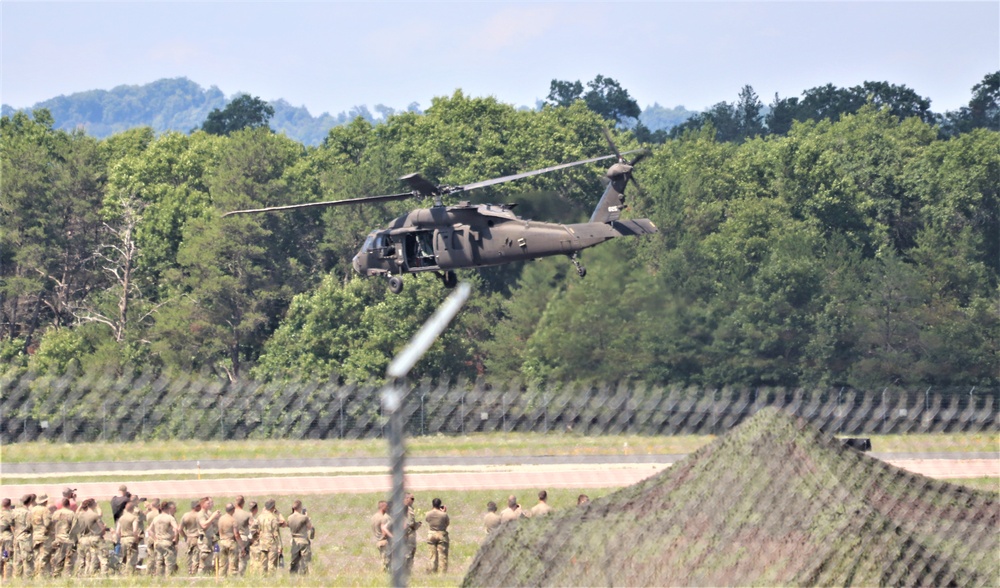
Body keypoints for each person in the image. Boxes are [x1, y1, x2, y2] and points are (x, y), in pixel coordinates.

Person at [75, 498, 105, 576]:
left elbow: (76, 513)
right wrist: (97, 506)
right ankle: (89, 574)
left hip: (82, 538)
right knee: (91, 558)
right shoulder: (93, 515)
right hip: (91, 537)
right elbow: (100, 515)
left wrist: (81, 505)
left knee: (82, 558)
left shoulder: (80, 514)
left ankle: (80, 574)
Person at [150, 501, 179, 576]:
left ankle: (159, 578)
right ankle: (169, 579)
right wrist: (175, 537)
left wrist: (155, 538)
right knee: (169, 563)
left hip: (158, 542)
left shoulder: (156, 518)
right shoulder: (170, 518)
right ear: (168, 508)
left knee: (159, 562)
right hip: (167, 542)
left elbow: (149, 530)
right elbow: (176, 528)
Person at [50, 498, 77, 577]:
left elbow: (52, 526)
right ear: (69, 504)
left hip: (57, 539)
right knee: (68, 561)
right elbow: (75, 528)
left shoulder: (55, 513)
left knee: (58, 559)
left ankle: (56, 575)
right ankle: (67, 576)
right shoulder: (72, 514)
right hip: (68, 539)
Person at [30, 493, 54, 577]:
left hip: (35, 536)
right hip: (44, 537)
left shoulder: (33, 510)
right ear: (45, 501)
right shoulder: (45, 510)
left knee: (36, 557)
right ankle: (42, 575)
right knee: (44, 557)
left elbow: (29, 524)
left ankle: (36, 573)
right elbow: (47, 523)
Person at [256, 499, 283, 574]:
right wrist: (280, 546)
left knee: (263, 563)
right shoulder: (273, 518)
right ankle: (271, 579)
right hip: (271, 543)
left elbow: (256, 529)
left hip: (262, 542)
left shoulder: (259, 517)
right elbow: (276, 533)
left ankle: (262, 578)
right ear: (273, 507)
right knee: (272, 563)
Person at [196, 496, 221, 575]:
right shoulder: (201, 514)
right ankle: (200, 576)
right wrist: (213, 517)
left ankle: (210, 574)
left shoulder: (209, 513)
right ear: (202, 504)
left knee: (213, 559)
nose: (210, 504)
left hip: (211, 539)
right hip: (204, 540)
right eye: (208, 503)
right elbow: (204, 525)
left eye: (211, 502)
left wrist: (217, 517)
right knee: (204, 558)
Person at [286, 500, 313, 575]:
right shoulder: (304, 517)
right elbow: (309, 527)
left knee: (294, 560)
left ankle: (292, 574)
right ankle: (303, 575)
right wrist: (307, 517)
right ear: (300, 507)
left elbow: (288, 525)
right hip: (303, 540)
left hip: (294, 541)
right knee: (305, 561)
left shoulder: (289, 517)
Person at [424, 497, 449, 573]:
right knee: (442, 555)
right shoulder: (443, 515)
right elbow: (447, 523)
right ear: (440, 505)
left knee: (432, 555)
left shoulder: (428, 514)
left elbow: (427, 520)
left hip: (431, 534)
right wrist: (444, 512)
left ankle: (431, 571)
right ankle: (442, 573)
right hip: (441, 534)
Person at [116, 498, 141, 575]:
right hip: (131, 538)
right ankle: (130, 573)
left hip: (123, 539)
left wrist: (120, 538)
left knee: (124, 558)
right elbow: (135, 530)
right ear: (133, 509)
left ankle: (123, 573)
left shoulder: (121, 518)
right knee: (132, 558)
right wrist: (136, 539)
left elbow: (117, 531)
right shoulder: (134, 518)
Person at [217, 503, 241, 577]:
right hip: (231, 542)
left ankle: (221, 580)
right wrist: (242, 545)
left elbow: (219, 531)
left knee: (222, 564)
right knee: (233, 565)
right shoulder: (233, 520)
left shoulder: (220, 519)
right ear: (233, 510)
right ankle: (232, 581)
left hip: (221, 542)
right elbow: (236, 534)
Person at [12, 495, 33, 578]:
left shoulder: (14, 511)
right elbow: (29, 525)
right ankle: (28, 578)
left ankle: (17, 577)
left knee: (17, 559)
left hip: (16, 537)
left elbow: (11, 523)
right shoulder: (28, 512)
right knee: (27, 559)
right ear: (30, 502)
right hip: (25, 538)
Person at [179, 499, 201, 575]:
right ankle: (194, 572)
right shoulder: (199, 515)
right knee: (196, 557)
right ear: (196, 507)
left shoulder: (185, 515)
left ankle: (188, 571)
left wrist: (185, 537)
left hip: (189, 538)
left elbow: (180, 529)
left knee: (189, 555)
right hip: (197, 537)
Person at [232, 496, 252, 575]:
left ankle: (233, 574)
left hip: (232, 537)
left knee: (233, 558)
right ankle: (240, 576)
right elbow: (252, 526)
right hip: (243, 538)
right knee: (243, 559)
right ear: (243, 503)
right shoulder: (247, 514)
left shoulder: (231, 513)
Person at [370, 500, 391, 572]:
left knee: (383, 559)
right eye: (387, 507)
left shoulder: (374, 517)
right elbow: (384, 531)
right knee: (386, 561)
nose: (388, 508)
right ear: (383, 507)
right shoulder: (383, 518)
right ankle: (384, 573)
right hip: (384, 541)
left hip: (378, 541)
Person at [403, 493, 421, 574]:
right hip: (408, 534)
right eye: (412, 499)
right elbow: (410, 523)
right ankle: (406, 571)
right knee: (409, 553)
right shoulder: (407, 509)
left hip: (407, 533)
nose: (413, 501)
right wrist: (416, 525)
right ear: (406, 499)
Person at [1, 498, 14, 580]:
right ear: (9, 505)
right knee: (7, 558)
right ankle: (7, 578)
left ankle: (1, 575)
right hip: (7, 538)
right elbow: (12, 526)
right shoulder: (10, 514)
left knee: (2, 556)